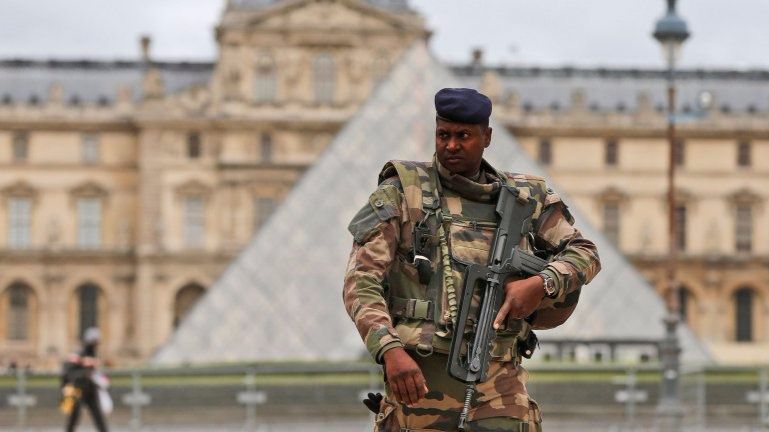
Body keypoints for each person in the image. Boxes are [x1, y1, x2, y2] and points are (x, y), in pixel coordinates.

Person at [343, 88, 601, 431]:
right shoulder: (403, 191)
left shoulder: (527, 199)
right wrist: (389, 349)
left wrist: (541, 283)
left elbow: (585, 253)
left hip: (500, 385)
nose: (451, 145)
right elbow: (361, 281)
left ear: (487, 137)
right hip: (418, 382)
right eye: (443, 134)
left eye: (463, 136)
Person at [60, 327, 110, 432]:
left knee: (97, 415)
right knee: (75, 415)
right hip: (79, 389)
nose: (97, 344)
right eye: (95, 342)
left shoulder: (92, 355)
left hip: (91, 389)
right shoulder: (79, 355)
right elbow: (69, 371)